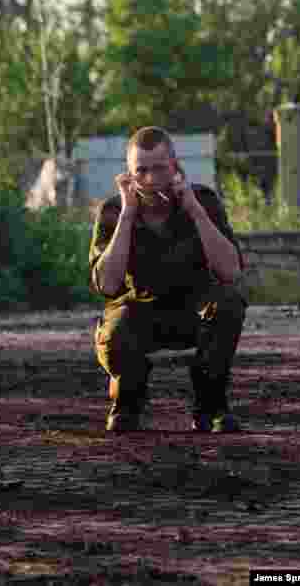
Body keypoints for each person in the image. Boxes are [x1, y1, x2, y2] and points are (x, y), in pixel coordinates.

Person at [88, 126, 247, 433]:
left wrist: (196, 212)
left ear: (175, 167)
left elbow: (231, 272)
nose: (149, 179)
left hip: (194, 310)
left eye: (159, 169)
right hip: (139, 312)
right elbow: (106, 285)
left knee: (228, 304)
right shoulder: (113, 210)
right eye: (141, 171)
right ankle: (127, 405)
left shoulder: (202, 200)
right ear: (129, 174)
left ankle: (210, 407)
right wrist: (127, 216)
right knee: (114, 329)